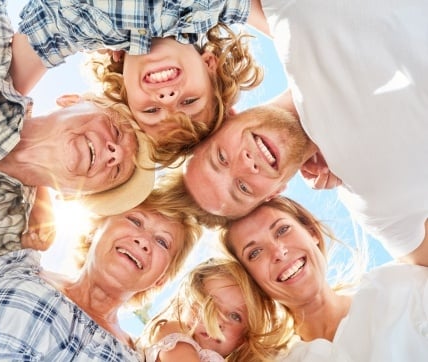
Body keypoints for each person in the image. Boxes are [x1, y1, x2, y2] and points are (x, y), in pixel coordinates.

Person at [0, 1, 155, 283]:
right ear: (72, 100)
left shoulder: (1, 248)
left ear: (74, 196)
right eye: (118, 131)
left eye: (118, 171)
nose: (114, 153)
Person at [0, 177, 203, 358]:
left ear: (160, 280)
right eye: (135, 221)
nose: (143, 241)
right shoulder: (15, 266)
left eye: (162, 242)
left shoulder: (137, 357)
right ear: (96, 229)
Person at [183, 85, 428, 266]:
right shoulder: (372, 200)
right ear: (274, 193)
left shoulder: (296, 29)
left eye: (221, 158)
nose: (246, 166)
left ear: (226, 117)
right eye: (243, 188)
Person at [11, 1, 263, 166]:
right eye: (189, 101)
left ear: (126, 93)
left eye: (152, 111)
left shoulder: (74, 29)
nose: (167, 99)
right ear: (210, 65)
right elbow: (294, 33)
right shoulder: (210, 7)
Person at [220, 196, 428, 361]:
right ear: (251, 279)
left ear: (312, 232)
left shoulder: (400, 287)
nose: (278, 252)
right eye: (255, 252)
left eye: (282, 230)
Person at [140, 258, 293, 362]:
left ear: (242, 340)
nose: (218, 321)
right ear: (185, 304)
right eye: (209, 304)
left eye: (235, 316)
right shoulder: (173, 332)